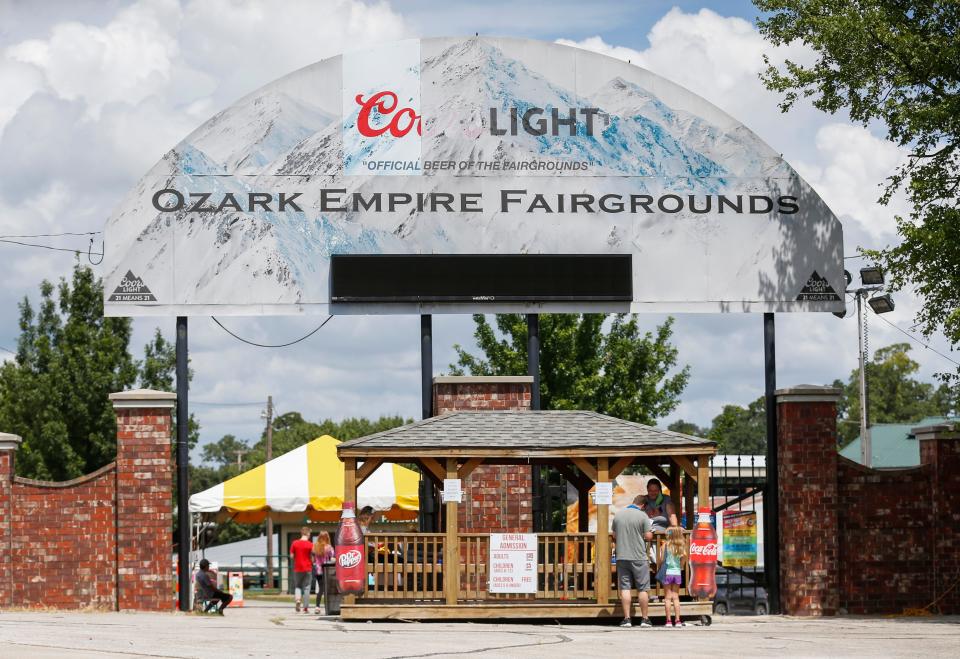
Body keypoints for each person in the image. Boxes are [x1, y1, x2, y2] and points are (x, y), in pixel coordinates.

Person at [611, 495, 654, 628]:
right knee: (643, 588)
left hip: (622, 556)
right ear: (643, 506)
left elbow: (614, 535)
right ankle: (645, 619)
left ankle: (627, 619)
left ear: (633, 502)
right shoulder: (643, 516)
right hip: (639, 557)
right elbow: (648, 536)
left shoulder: (618, 515)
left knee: (625, 587)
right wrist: (650, 534)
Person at [658, 525, 688, 627]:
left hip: (667, 573)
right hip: (677, 573)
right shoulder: (681, 546)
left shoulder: (665, 545)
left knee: (667, 598)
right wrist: (680, 566)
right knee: (676, 598)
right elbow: (683, 559)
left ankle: (668, 621)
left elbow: (662, 560)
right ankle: (678, 620)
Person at [290, 526, 315, 614]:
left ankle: (297, 600)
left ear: (301, 533)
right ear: (307, 534)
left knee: (298, 586)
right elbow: (312, 558)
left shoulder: (295, 543)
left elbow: (292, 556)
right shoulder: (311, 544)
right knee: (307, 587)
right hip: (308, 568)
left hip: (297, 568)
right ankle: (305, 608)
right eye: (309, 534)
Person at [312, 531, 335, 611]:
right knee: (326, 589)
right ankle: (328, 607)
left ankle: (317, 606)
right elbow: (332, 558)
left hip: (317, 571)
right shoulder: (329, 547)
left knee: (321, 589)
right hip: (326, 570)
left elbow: (313, 559)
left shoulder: (315, 547)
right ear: (327, 538)